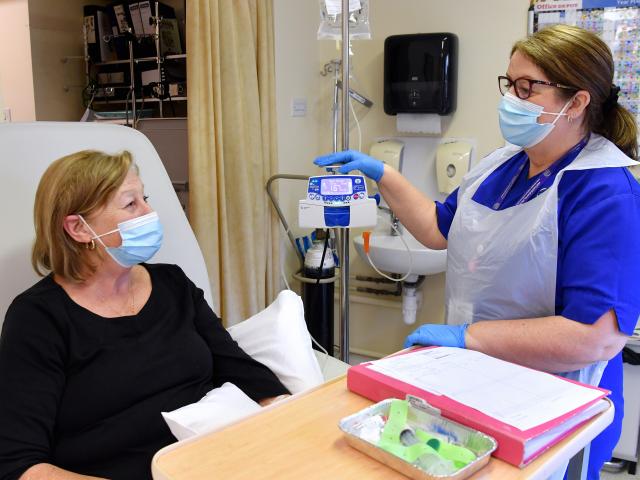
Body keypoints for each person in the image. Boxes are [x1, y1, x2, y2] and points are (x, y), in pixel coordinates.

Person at [315, 24, 640, 478]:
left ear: (578, 101)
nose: (511, 99)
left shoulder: (605, 190)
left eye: (528, 88)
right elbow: (437, 229)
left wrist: (467, 338)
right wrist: (383, 174)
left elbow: (595, 337)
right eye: (510, 84)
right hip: (480, 383)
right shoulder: (504, 164)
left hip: (555, 407)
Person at [0, 150, 290, 480]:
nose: (150, 212)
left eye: (145, 198)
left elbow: (245, 373)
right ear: (78, 229)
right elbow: (20, 465)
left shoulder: (173, 284)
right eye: (131, 204)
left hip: (214, 460)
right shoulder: (38, 319)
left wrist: (288, 430)